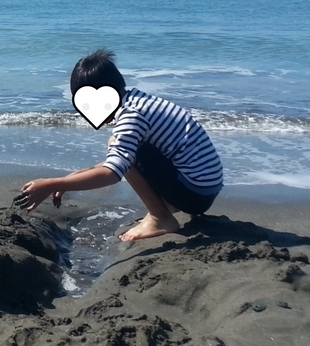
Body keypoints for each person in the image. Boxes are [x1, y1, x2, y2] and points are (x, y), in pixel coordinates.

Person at [17, 49, 223, 241]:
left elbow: (113, 173)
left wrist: (53, 184)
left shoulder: (132, 115)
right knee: (122, 147)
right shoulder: (137, 101)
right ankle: (163, 208)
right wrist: (72, 177)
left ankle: (161, 218)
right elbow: (119, 158)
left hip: (195, 191)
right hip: (204, 185)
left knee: (121, 149)